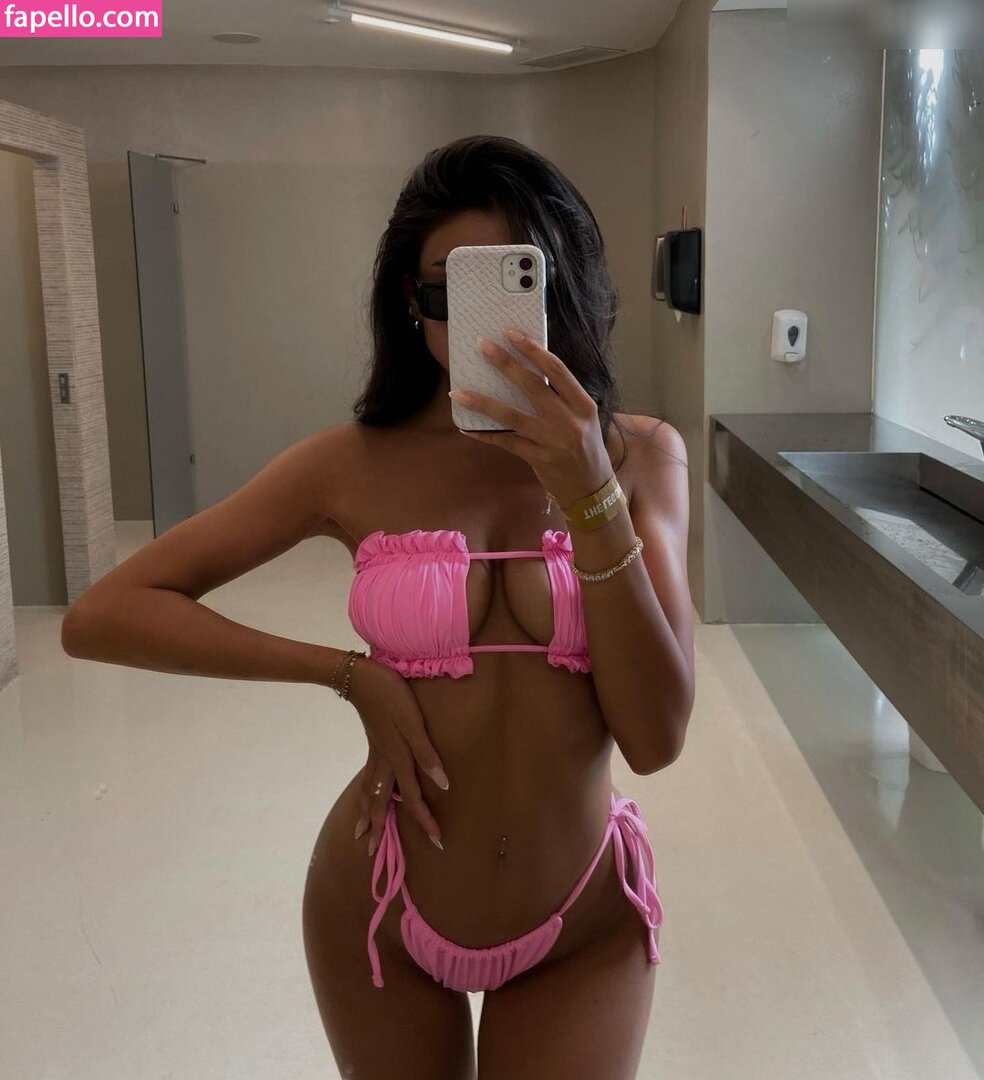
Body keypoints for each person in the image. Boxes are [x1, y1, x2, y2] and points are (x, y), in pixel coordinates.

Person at [62, 134, 695, 1080]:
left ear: (563, 283)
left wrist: (590, 491)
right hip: (383, 904)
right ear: (410, 299)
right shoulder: (350, 465)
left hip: (584, 918)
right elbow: (105, 613)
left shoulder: (642, 456)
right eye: (448, 291)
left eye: (515, 278)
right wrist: (346, 674)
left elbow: (656, 736)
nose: (481, 322)